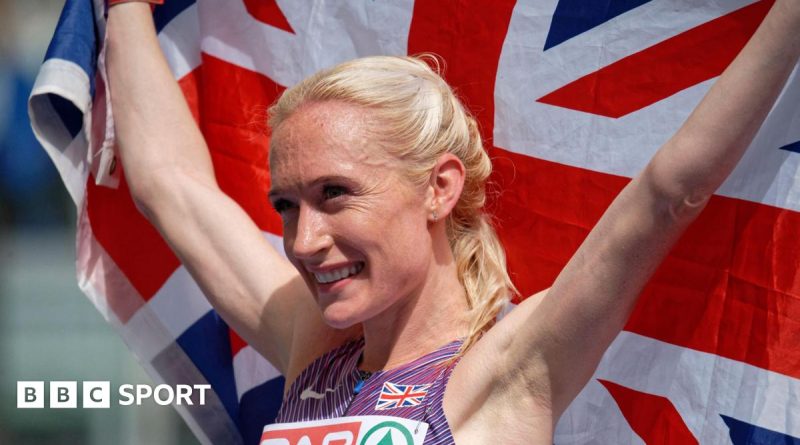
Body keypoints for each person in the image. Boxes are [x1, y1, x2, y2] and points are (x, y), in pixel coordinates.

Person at [105, 0, 800, 443]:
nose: (303, 241)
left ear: (439, 188)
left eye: (336, 193)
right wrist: (123, 6)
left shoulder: (511, 365)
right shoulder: (312, 344)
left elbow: (669, 189)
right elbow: (170, 185)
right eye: (285, 205)